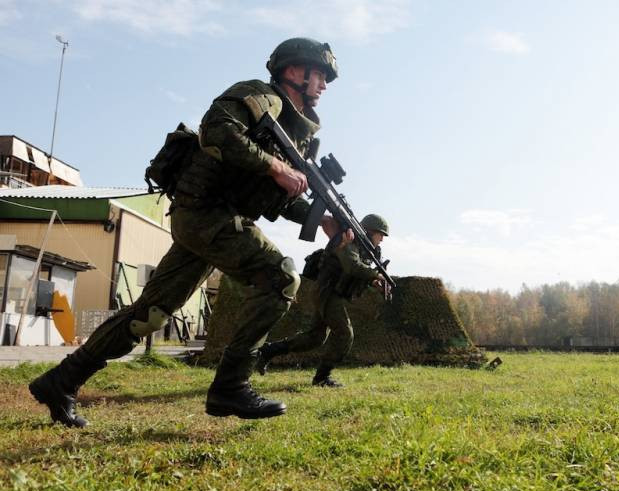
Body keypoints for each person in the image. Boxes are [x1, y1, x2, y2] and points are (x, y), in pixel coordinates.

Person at [29, 37, 341, 427]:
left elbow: (274, 199)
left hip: (215, 217)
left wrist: (321, 218)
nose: (325, 85)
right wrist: (276, 168)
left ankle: (61, 381)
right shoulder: (259, 97)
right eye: (321, 75)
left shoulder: (300, 133)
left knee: (150, 315)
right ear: (295, 70)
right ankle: (231, 385)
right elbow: (216, 132)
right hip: (204, 212)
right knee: (280, 276)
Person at [256, 214, 390, 387]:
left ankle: (267, 351)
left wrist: (373, 281)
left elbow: (356, 272)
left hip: (330, 293)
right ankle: (321, 378)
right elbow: (351, 265)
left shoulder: (362, 248)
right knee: (344, 334)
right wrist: (374, 274)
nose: (382, 240)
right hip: (327, 292)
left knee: (315, 338)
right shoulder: (349, 240)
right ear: (371, 231)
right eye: (381, 235)